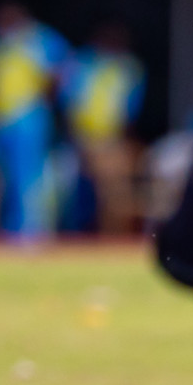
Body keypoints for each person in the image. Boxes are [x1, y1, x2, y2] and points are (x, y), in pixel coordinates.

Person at [0, 3, 68, 237]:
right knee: (0, 180)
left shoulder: (42, 39)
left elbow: (61, 74)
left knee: (28, 178)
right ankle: (6, 230)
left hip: (27, 119)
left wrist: (44, 103)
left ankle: (29, 233)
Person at [60, 22, 145, 234]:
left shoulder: (128, 67)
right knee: (73, 195)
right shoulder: (81, 63)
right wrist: (74, 137)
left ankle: (110, 239)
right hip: (80, 139)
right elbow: (69, 103)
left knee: (113, 196)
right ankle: (76, 236)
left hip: (110, 140)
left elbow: (130, 109)